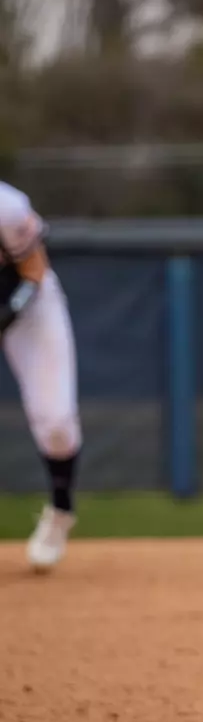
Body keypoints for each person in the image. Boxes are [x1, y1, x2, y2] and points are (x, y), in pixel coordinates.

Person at [0, 183, 82, 573]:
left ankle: (61, 509)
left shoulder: (7, 206)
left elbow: (33, 270)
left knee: (56, 422)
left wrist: (6, 314)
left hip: (27, 304)